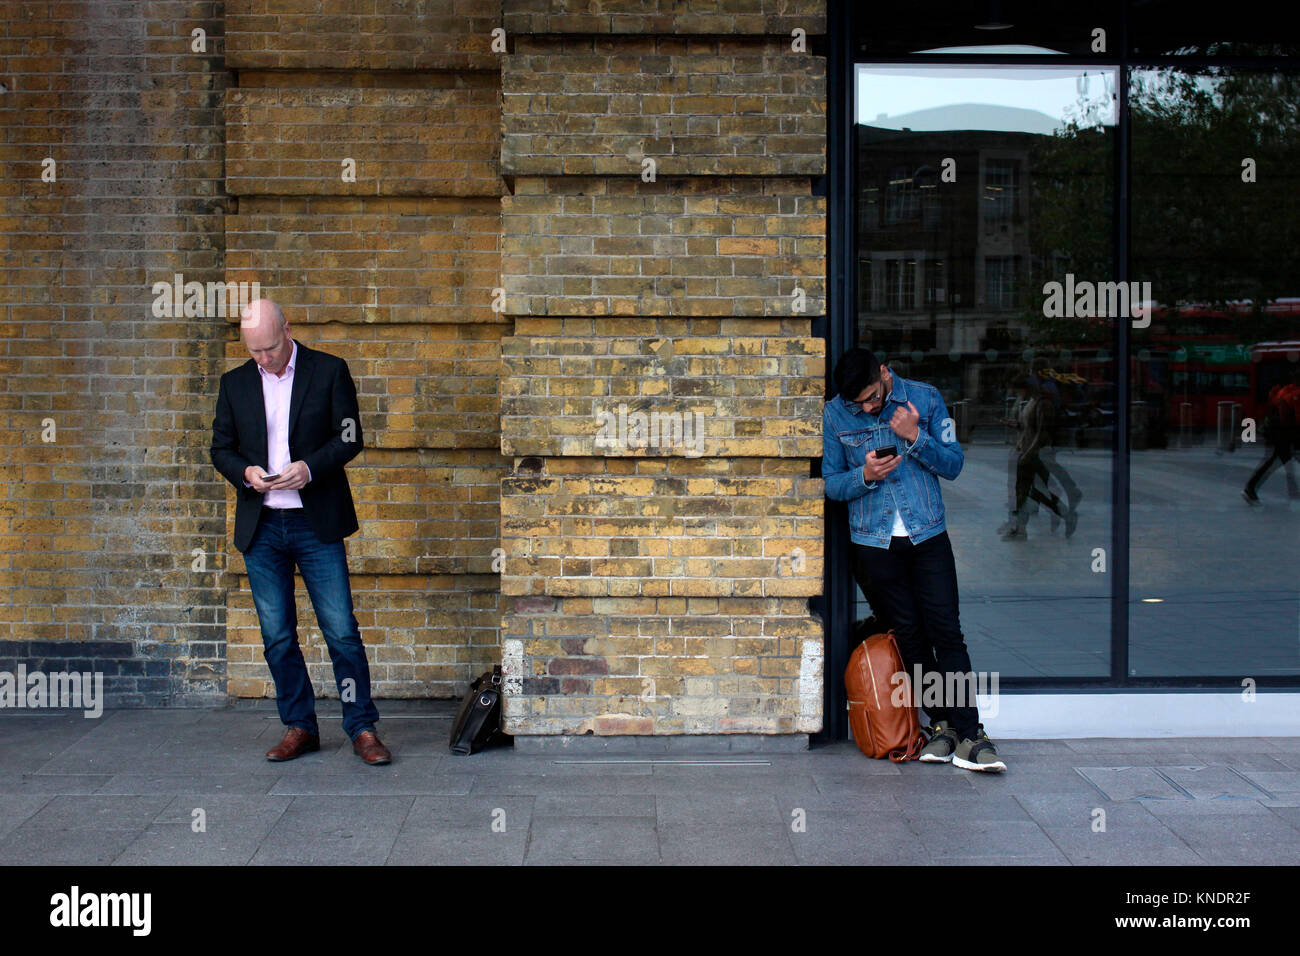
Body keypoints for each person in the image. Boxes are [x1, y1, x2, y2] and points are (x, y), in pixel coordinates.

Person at [210, 299, 391, 766]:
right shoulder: (234, 384)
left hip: (317, 522)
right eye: (254, 352)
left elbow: (349, 436)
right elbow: (219, 449)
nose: (264, 359)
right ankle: (300, 726)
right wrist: (245, 472)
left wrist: (308, 469)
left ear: (287, 330)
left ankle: (362, 728)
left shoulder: (329, 371)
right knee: (277, 636)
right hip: (262, 525)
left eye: (270, 348)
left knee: (341, 630)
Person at [822, 348, 1006, 772]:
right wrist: (864, 476)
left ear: (884, 373)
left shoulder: (925, 399)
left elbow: (954, 464)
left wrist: (914, 436)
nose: (867, 408)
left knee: (947, 632)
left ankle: (972, 734)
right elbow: (831, 484)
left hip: (928, 537)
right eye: (859, 404)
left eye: (871, 396)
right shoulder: (836, 415)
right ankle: (940, 726)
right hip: (874, 542)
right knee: (909, 637)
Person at [1001, 374, 1079, 540]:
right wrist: (1015, 425)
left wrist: (1029, 453)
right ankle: (1021, 527)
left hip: (1037, 455)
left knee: (1029, 491)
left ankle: (1020, 528)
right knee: (1031, 492)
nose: (1018, 394)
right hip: (1026, 451)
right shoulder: (1032, 402)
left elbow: (1042, 433)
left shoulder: (1044, 404)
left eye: (1019, 390)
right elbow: (1028, 427)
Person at [1243, 380, 1300, 504]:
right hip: (1283, 433)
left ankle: (1293, 490)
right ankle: (1250, 488)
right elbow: (1297, 419)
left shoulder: (1286, 390)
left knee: (1282, 460)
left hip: (1277, 431)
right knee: (1275, 462)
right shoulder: (1296, 394)